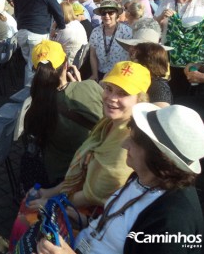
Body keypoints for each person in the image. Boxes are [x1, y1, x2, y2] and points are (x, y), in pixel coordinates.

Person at [10, 61, 151, 252]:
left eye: (123, 93)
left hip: (96, 217)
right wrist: (49, 193)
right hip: (81, 202)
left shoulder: (128, 142)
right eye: (109, 89)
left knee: (23, 222)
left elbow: (92, 195)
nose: (111, 98)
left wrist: (52, 201)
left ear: (140, 100)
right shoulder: (109, 123)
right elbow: (84, 173)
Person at [36, 103, 204, 254]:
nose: (124, 144)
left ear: (159, 158)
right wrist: (81, 219)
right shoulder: (144, 177)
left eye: (133, 141)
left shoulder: (173, 224)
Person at [20, 40, 103, 193]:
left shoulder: (35, 111)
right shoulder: (91, 87)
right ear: (66, 65)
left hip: (61, 178)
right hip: (96, 174)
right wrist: (80, 84)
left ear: (35, 71)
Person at [14, 0, 66, 86]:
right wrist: (61, 26)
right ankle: (31, 99)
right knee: (35, 69)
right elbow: (57, 10)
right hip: (37, 33)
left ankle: (31, 97)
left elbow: (16, 11)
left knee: (30, 66)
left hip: (22, 32)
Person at [155, 0, 204, 97]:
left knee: (193, 98)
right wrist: (161, 17)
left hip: (196, 62)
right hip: (170, 59)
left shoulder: (203, 2)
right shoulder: (166, 3)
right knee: (174, 94)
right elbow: (154, 26)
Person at [89, 0, 132, 81]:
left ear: (116, 15)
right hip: (101, 73)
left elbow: (131, 55)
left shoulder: (126, 31)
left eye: (110, 13)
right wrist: (95, 75)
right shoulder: (96, 31)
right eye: (103, 13)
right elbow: (93, 55)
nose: (107, 16)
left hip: (119, 75)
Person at [52, 1, 88, 65]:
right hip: (78, 60)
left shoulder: (65, 29)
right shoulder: (78, 24)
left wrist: (53, 27)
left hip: (67, 63)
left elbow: (52, 46)